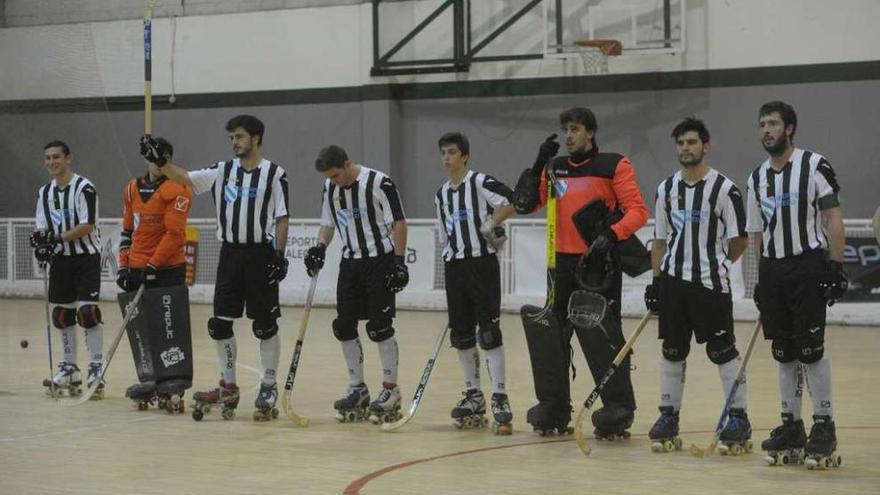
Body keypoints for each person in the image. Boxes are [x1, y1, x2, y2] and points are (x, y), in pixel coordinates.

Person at [139, 115, 290, 421]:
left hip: (260, 256)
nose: (234, 142)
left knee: (265, 325)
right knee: (219, 325)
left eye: (239, 137)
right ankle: (229, 385)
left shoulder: (274, 173)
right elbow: (186, 179)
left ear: (256, 138)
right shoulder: (223, 171)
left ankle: (269, 385)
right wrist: (163, 162)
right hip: (230, 255)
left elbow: (282, 216)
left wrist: (279, 254)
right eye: (232, 138)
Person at [512, 107, 649, 437]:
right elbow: (526, 204)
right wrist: (537, 164)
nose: (568, 136)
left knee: (603, 338)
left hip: (597, 265)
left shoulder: (614, 165)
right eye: (565, 130)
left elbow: (638, 212)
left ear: (590, 132)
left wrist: (610, 236)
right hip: (559, 266)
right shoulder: (555, 168)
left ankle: (618, 408)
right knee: (551, 338)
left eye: (574, 129)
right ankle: (553, 407)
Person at [746, 101, 846, 467]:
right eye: (762, 125)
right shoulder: (756, 177)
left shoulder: (814, 165)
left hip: (806, 267)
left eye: (773, 123)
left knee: (810, 350)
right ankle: (792, 424)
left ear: (789, 128)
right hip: (773, 271)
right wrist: (758, 280)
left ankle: (824, 424)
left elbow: (833, 217)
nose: (766, 130)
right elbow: (755, 233)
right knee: (783, 352)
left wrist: (835, 266)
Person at [644, 118, 751, 453]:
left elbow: (739, 241)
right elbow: (659, 241)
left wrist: (714, 262)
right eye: (681, 143)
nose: (686, 149)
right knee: (672, 351)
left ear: (706, 145)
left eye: (692, 142)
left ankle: (738, 417)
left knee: (723, 352)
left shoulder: (724, 189)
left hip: (710, 284)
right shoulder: (666, 189)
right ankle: (668, 416)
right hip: (674, 284)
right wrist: (657, 281)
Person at [304, 145, 409, 425]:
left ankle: (391, 390)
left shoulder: (378, 183)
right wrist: (319, 247)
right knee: (344, 325)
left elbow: (398, 222)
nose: (335, 181)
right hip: (350, 264)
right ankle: (358, 389)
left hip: (380, 261)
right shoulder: (330, 188)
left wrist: (399, 262)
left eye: (337, 175)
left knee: (380, 327)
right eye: (330, 177)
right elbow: (328, 223)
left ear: (348, 164)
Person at [433, 132, 516, 434]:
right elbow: (444, 235)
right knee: (462, 336)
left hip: (482, 265)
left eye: (452, 152)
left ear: (464, 156)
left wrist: (492, 223)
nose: (446, 158)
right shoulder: (441, 194)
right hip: (455, 267)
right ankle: (474, 394)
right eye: (443, 153)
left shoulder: (479, 182)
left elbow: (512, 200)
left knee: (490, 333)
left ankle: (500, 397)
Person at [118, 138, 193, 412]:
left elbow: (175, 234)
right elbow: (128, 231)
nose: (157, 163)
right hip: (139, 266)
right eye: (153, 158)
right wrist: (124, 266)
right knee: (142, 327)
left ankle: (173, 378)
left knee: (167, 324)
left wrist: (154, 264)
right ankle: (149, 377)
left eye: (163, 159)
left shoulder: (180, 188)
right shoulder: (130, 189)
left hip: (168, 267)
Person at [31, 140, 105, 398]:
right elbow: (42, 226)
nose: (52, 162)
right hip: (61, 261)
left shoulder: (85, 188)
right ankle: (70, 368)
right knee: (62, 315)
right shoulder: (44, 193)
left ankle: (96, 368)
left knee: (88, 313)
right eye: (48, 158)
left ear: (68, 158)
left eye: (56, 157)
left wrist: (56, 239)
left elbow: (87, 225)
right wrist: (41, 244)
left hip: (86, 259)